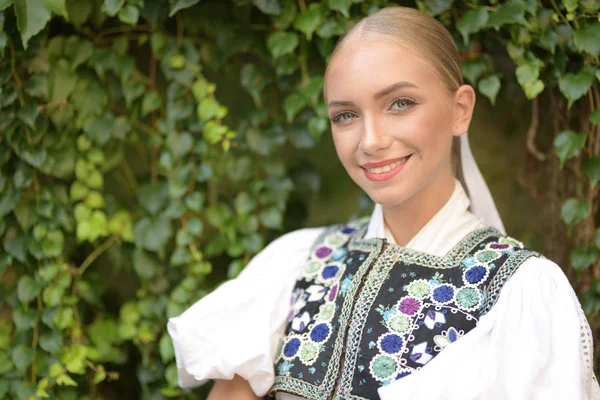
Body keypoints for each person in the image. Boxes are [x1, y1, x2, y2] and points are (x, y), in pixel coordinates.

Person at [167, 6, 600, 400]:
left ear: (460, 109)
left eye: (400, 103)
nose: (371, 141)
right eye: (346, 115)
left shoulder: (519, 291)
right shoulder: (297, 265)